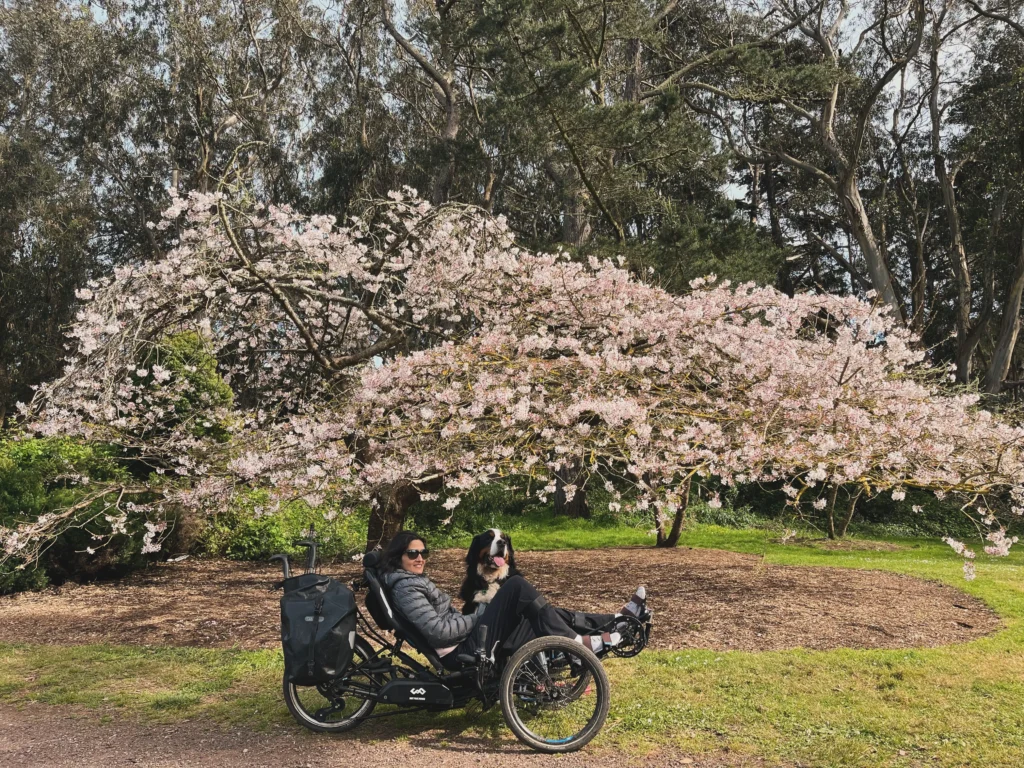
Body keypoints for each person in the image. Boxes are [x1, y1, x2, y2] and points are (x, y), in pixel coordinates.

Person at [380, 531, 649, 669]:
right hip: (458, 651)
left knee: (544, 612)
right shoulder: (406, 588)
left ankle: (617, 620)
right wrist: (478, 618)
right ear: (398, 557)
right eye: (412, 553)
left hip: (463, 639)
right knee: (517, 586)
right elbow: (438, 633)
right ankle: (577, 646)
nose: (420, 557)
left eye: (423, 552)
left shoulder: (414, 582)